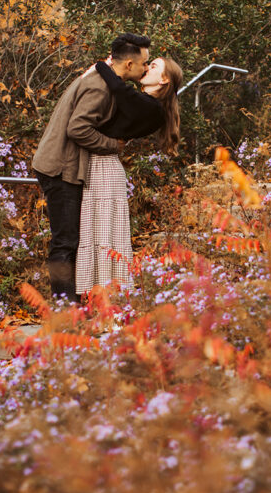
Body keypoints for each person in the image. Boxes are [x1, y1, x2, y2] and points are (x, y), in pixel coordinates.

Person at [31, 33, 151, 301]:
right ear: (129, 64)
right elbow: (78, 128)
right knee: (65, 241)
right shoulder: (100, 86)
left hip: (64, 164)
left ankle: (71, 304)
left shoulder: (101, 76)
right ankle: (64, 308)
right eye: (144, 63)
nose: (146, 69)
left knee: (68, 239)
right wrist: (112, 146)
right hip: (61, 167)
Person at [75, 56, 182, 296]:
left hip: (103, 167)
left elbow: (119, 89)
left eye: (153, 66)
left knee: (103, 235)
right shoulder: (147, 104)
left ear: (164, 80)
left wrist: (102, 65)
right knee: (99, 233)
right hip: (103, 165)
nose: (146, 67)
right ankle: (99, 297)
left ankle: (105, 298)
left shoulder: (150, 106)